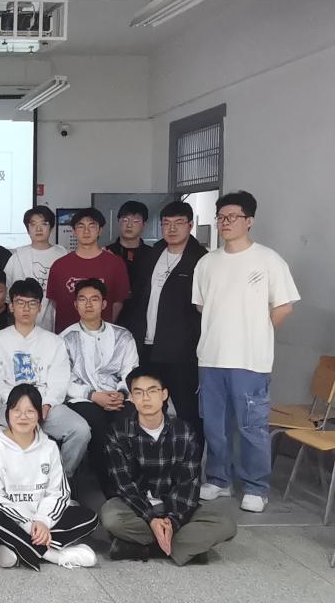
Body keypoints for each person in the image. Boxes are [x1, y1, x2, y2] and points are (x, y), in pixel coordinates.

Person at [193, 190, 299, 513]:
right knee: (215, 425)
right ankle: (218, 479)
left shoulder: (268, 260)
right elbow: (202, 306)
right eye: (220, 217)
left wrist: (257, 333)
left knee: (252, 427)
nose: (225, 222)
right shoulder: (206, 262)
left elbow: (284, 306)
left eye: (232, 217)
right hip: (211, 358)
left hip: (250, 360)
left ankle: (256, 486)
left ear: (249, 221)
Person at [102, 367, 238, 564]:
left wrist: (173, 521)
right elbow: (123, 485)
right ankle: (183, 547)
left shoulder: (184, 431)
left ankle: (140, 547)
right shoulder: (118, 432)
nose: (145, 398)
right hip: (137, 507)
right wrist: (151, 519)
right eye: (139, 393)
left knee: (226, 525)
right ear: (131, 397)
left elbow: (189, 485)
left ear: (164, 394)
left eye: (152, 391)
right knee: (111, 518)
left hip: (175, 505)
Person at [0, 384, 99, 570]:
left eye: (30, 411)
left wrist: (42, 521)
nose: (23, 416)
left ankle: (12, 545)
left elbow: (59, 493)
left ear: (39, 414)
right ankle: (54, 555)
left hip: (43, 519)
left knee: (90, 517)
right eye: (16, 410)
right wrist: (27, 524)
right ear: (8, 413)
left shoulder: (49, 447)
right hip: (11, 519)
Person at [0, 279, 90, 476]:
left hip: (47, 407)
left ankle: (60, 478)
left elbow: (59, 380)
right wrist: (19, 406)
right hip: (10, 406)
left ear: (40, 307)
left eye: (32, 303)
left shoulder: (54, 342)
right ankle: (9, 482)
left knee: (80, 430)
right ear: (11, 306)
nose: (26, 308)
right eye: (20, 302)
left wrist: (47, 404)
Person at [122, 201, 207, 436]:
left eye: (179, 223)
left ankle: (190, 457)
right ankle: (151, 454)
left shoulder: (201, 260)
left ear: (190, 225)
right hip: (147, 346)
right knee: (146, 407)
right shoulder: (153, 253)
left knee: (187, 411)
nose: (172, 229)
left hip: (182, 352)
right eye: (166, 223)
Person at [60, 279, 139, 495]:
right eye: (82, 300)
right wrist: (93, 395)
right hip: (83, 398)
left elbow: (131, 371)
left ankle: (134, 482)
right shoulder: (66, 339)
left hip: (118, 396)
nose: (88, 305)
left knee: (129, 422)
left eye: (94, 299)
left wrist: (121, 393)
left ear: (104, 304)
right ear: (75, 304)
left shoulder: (123, 336)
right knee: (98, 426)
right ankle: (111, 489)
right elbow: (63, 380)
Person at [46, 207, 130, 333]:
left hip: (102, 336)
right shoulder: (59, 265)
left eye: (92, 226)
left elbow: (118, 302)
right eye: (81, 226)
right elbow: (54, 302)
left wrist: (101, 328)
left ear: (100, 230)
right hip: (66, 336)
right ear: (74, 231)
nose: (86, 231)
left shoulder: (115, 264)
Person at [3, 206, 67, 331]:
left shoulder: (62, 255)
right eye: (33, 224)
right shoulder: (17, 257)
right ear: (28, 229)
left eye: (44, 224)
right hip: (22, 325)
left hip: (55, 324)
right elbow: (7, 294)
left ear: (51, 227)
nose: (38, 229)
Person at [106, 200, 151, 288]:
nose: (129, 225)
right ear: (118, 222)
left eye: (136, 221)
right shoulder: (106, 252)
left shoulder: (153, 254)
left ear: (144, 224)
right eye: (125, 220)